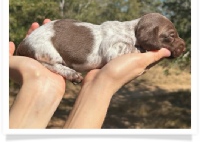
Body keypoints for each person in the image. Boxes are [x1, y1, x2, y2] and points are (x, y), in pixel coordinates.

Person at [9, 19, 171, 129]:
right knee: (50, 51)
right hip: (43, 43)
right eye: (171, 36)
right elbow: (113, 56)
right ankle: (52, 64)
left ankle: (52, 65)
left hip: (48, 42)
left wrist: (38, 83)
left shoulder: (118, 32)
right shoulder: (117, 36)